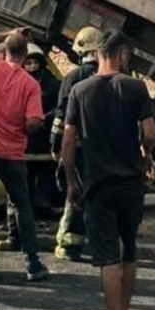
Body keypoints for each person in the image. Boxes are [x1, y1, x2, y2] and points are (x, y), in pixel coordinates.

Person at [62, 31, 155, 310]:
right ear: (123, 55)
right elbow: (150, 132)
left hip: (97, 185)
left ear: (99, 54)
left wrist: (71, 182)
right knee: (129, 251)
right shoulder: (134, 87)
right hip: (131, 182)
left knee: (107, 259)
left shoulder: (79, 90)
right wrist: (145, 155)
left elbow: (67, 143)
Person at [0, 28, 49, 283]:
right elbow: (33, 122)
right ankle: (32, 264)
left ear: (4, 51)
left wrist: (7, 32)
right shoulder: (30, 84)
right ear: (25, 56)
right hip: (13, 154)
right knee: (21, 207)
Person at [49, 26, 104, 260]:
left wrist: (55, 145)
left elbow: (61, 116)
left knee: (76, 194)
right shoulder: (112, 75)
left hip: (79, 146)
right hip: (106, 148)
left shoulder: (73, 78)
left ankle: (71, 244)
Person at [24, 44, 61, 217]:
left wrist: (45, 118)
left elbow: (59, 106)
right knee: (26, 176)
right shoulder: (19, 82)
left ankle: (43, 204)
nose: (32, 67)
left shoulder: (51, 83)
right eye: (28, 63)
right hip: (26, 136)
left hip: (45, 136)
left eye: (35, 63)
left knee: (46, 172)